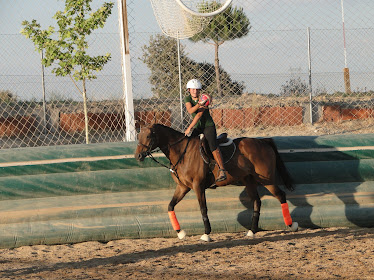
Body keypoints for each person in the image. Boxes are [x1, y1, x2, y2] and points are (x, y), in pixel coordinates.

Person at [184, 78, 227, 182]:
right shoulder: (187, 99)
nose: (195, 91)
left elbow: (198, 114)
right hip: (198, 127)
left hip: (208, 126)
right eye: (193, 89)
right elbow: (190, 110)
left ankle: (222, 170)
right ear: (189, 90)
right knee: (190, 144)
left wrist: (189, 128)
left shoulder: (204, 98)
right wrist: (199, 104)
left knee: (213, 146)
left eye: (197, 89)